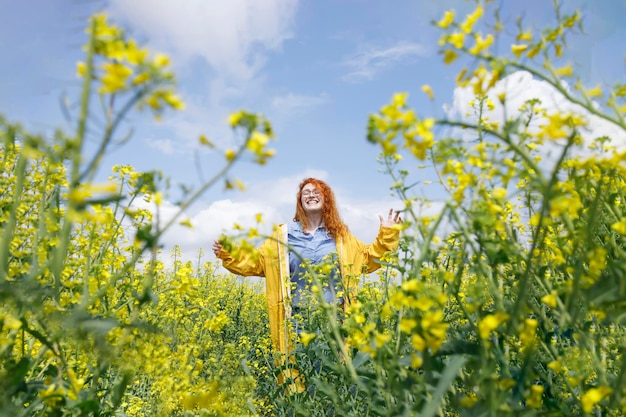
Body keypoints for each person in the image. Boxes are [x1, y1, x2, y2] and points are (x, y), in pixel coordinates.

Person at [212, 177, 402, 357]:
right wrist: (228, 252)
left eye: (316, 191)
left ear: (326, 199)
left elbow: (368, 258)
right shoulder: (282, 235)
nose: (311, 195)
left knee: (334, 379)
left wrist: (388, 234)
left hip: (334, 322)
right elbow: (256, 262)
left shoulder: (340, 236)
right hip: (295, 322)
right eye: (306, 193)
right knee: (299, 379)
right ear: (300, 201)